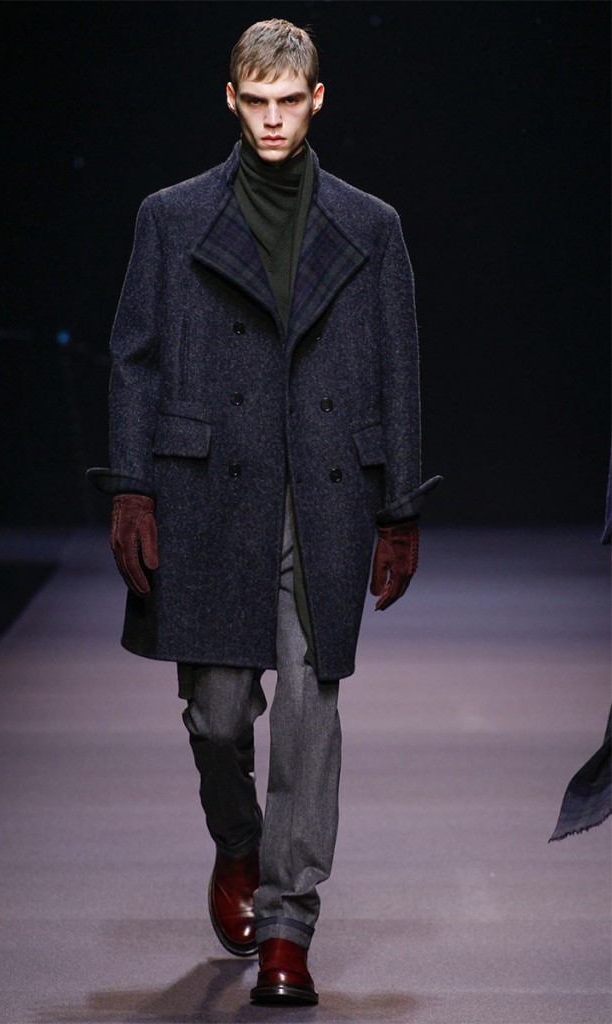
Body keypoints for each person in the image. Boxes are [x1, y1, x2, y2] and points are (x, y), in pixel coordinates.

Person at [88, 18, 440, 1006]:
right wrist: (132, 485)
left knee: (310, 709)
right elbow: (134, 356)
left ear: (317, 100)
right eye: (258, 102)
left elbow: (400, 370)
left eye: (290, 102)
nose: (274, 119)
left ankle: (289, 924)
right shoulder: (172, 217)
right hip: (208, 489)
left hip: (323, 494)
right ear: (231, 99)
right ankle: (238, 840)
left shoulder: (370, 225)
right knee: (215, 714)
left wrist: (399, 508)